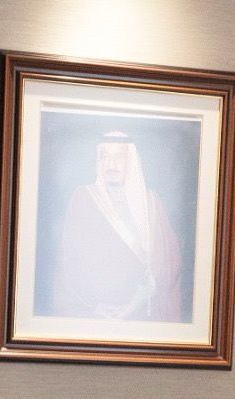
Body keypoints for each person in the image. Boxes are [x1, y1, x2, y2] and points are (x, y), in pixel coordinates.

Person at [52, 131, 184, 321]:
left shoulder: (151, 202)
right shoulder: (83, 198)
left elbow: (169, 265)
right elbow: (69, 263)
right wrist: (92, 306)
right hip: (96, 314)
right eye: (105, 157)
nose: (111, 165)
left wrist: (135, 303)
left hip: (144, 314)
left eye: (118, 158)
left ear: (131, 161)